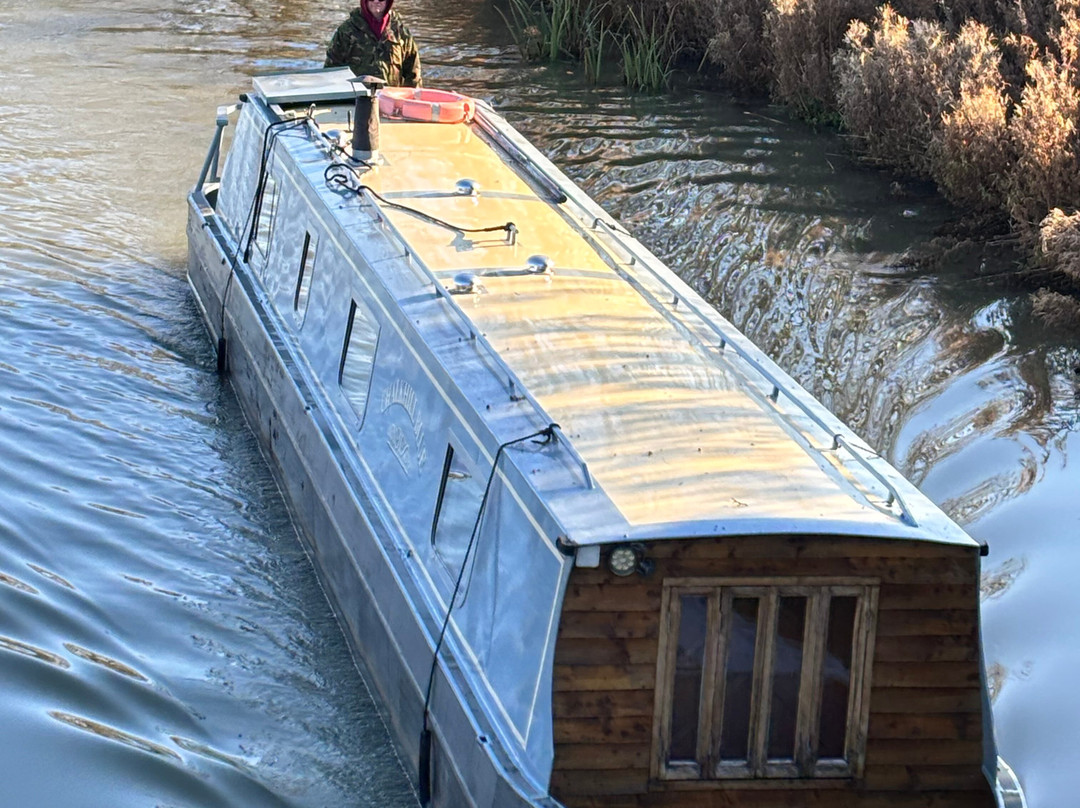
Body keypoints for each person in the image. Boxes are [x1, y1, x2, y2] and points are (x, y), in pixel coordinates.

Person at [324, 0, 422, 88]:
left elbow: (414, 75)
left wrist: (412, 102)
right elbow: (331, 71)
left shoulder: (401, 33)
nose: (376, 1)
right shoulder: (346, 31)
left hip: (391, 101)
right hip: (357, 101)